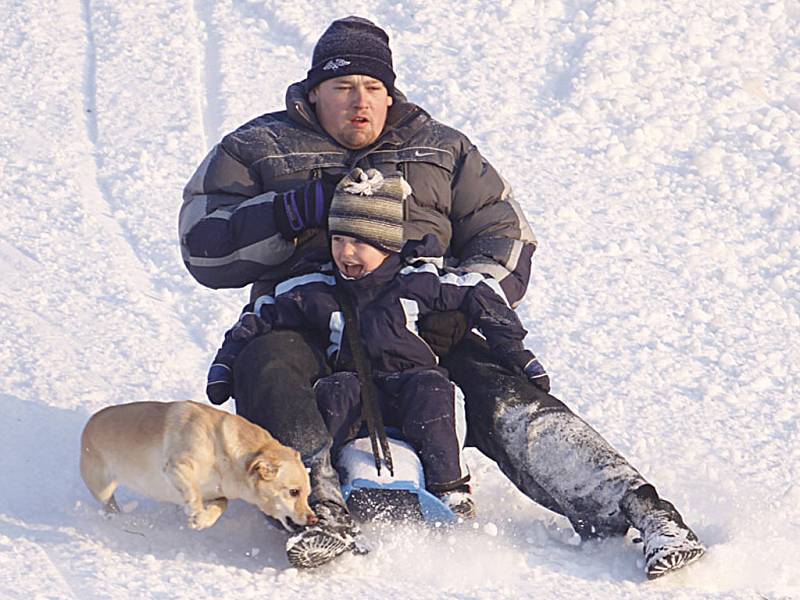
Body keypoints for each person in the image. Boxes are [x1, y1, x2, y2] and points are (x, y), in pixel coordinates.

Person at [179, 16, 705, 578]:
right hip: (306, 322)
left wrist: (453, 300)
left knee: (505, 396)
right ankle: (318, 511)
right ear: (313, 92)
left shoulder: (443, 148)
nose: (360, 102)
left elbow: (506, 237)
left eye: (373, 88)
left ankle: (639, 512)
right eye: (342, 87)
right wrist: (285, 212)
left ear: (390, 92)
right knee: (268, 366)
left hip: (418, 324)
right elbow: (203, 247)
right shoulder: (258, 148)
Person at [206, 169, 554, 547]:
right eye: (338, 239)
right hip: (356, 388)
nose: (345, 252)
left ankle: (450, 487)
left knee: (435, 388)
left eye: (360, 242)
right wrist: (227, 363)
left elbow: (480, 294)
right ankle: (326, 491)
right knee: (335, 390)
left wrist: (515, 351)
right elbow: (262, 314)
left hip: (410, 383)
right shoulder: (318, 289)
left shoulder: (417, 280)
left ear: (387, 243)